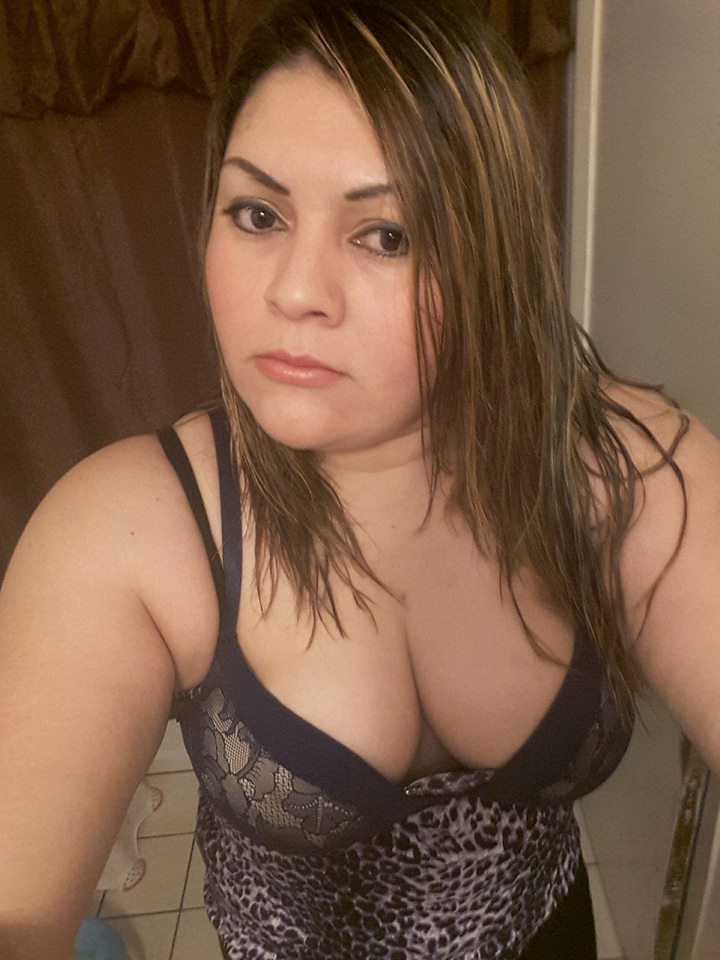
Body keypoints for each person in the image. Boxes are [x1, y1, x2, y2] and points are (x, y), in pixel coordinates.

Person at [1, 1, 719, 957]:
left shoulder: (622, 467)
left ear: (493, 256)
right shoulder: (130, 528)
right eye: (258, 215)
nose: (295, 290)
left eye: (386, 234)